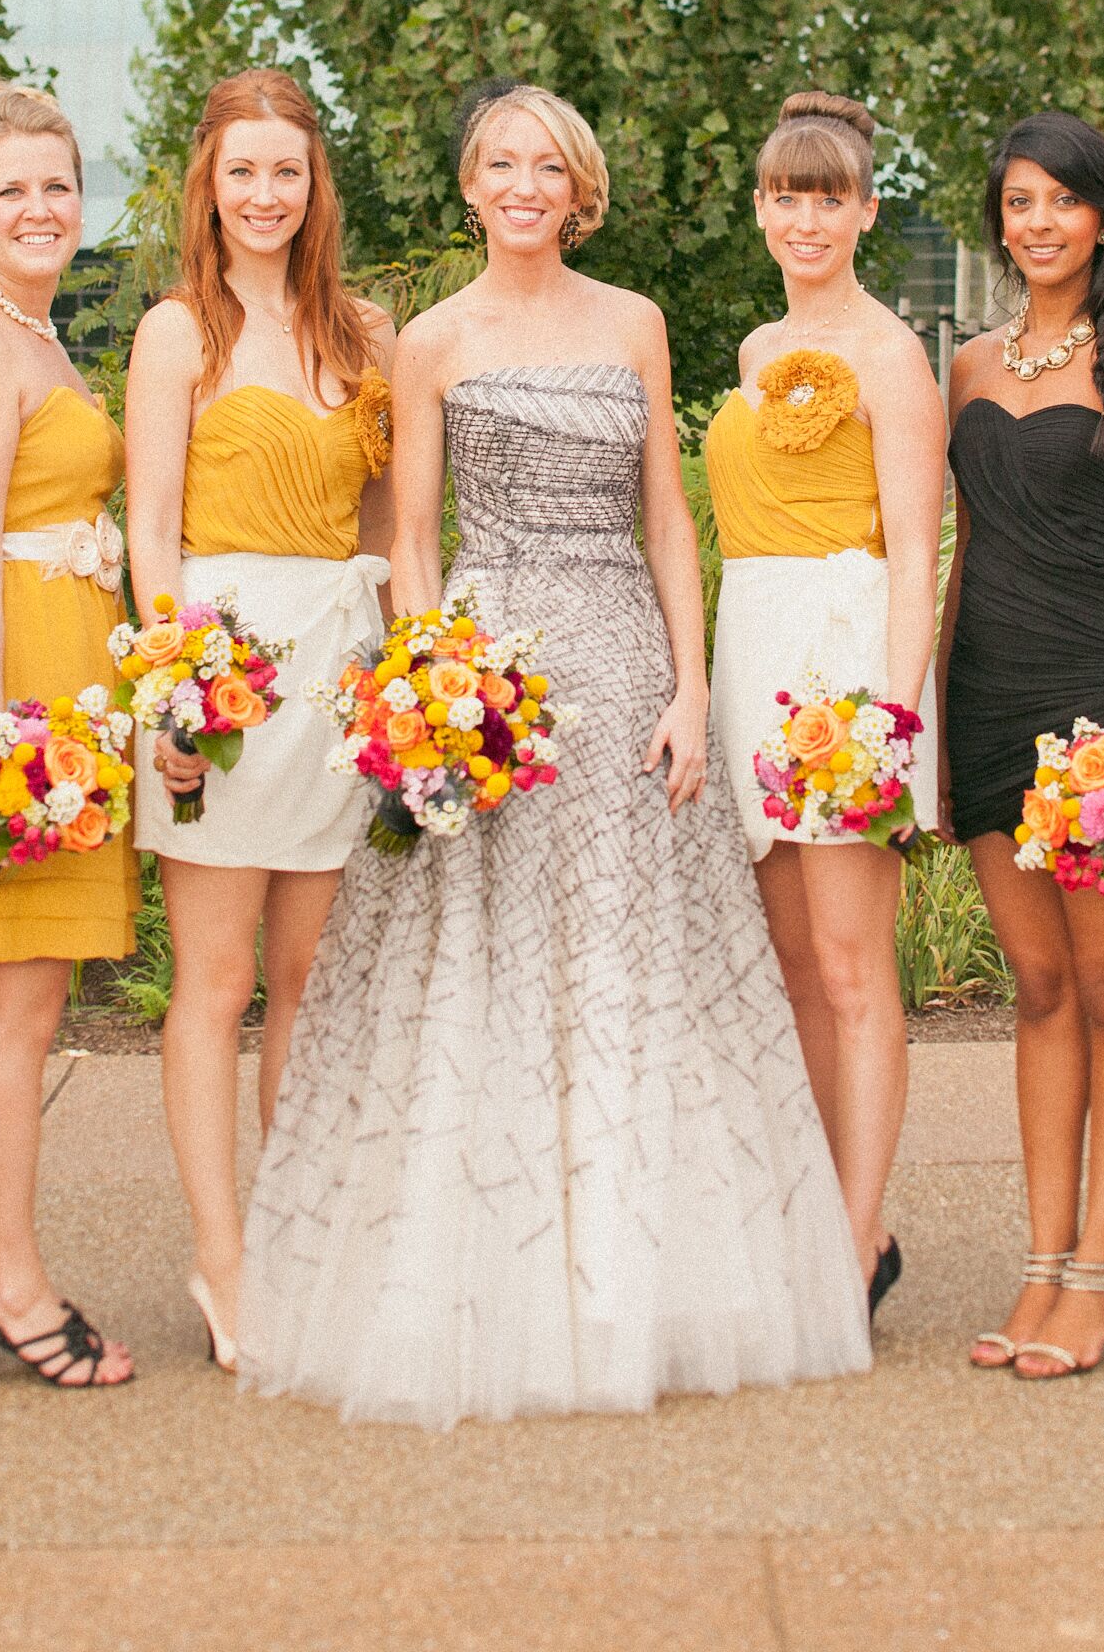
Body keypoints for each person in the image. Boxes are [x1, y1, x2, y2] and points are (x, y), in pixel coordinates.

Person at [241, 81, 869, 1426]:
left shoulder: (634, 321)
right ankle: (490, 1273)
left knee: (630, 956)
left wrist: (693, 690)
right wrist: (434, 689)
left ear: (577, 191)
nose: (524, 185)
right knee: (488, 955)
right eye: (500, 164)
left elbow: (669, 522)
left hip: (625, 659)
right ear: (470, 186)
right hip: (492, 665)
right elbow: (411, 532)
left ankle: (634, 1278)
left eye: (548, 167)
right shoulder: (434, 339)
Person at [123, 69, 396, 1373]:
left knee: (307, 984)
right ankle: (221, 1257)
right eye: (243, 172)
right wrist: (175, 693)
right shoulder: (181, 333)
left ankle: (293, 1241)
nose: (266, 195)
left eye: (286, 171)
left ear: (314, 183)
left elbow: (395, 531)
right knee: (215, 982)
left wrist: (404, 690)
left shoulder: (367, 336)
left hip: (339, 679)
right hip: (222, 680)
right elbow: (151, 535)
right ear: (209, 185)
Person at [932, 113, 1104, 1382]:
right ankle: (1041, 1267)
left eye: (1062, 201)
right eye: (1019, 201)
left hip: (1100, 696)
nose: (1037, 222)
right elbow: (965, 549)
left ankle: (1101, 1272)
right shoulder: (970, 362)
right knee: (1036, 992)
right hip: (989, 688)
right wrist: (936, 720)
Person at [0, 80, 141, 1390]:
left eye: (59, 185)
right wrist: (2, 745)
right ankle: (8, 1282)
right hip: (11, 699)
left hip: (71, 681)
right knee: (10, 1007)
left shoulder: (38, 335)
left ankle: (7, 1271)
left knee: (29, 999)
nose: (41, 208)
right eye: (14, 190)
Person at [703, 90, 946, 1318]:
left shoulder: (894, 356)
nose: (806, 218)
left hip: (846, 668)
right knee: (791, 964)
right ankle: (811, 1207)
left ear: (865, 212)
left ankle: (859, 1236)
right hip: (756, 647)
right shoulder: (755, 352)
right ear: (760, 209)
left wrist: (887, 723)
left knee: (854, 968)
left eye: (829, 197)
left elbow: (917, 549)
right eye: (786, 196)